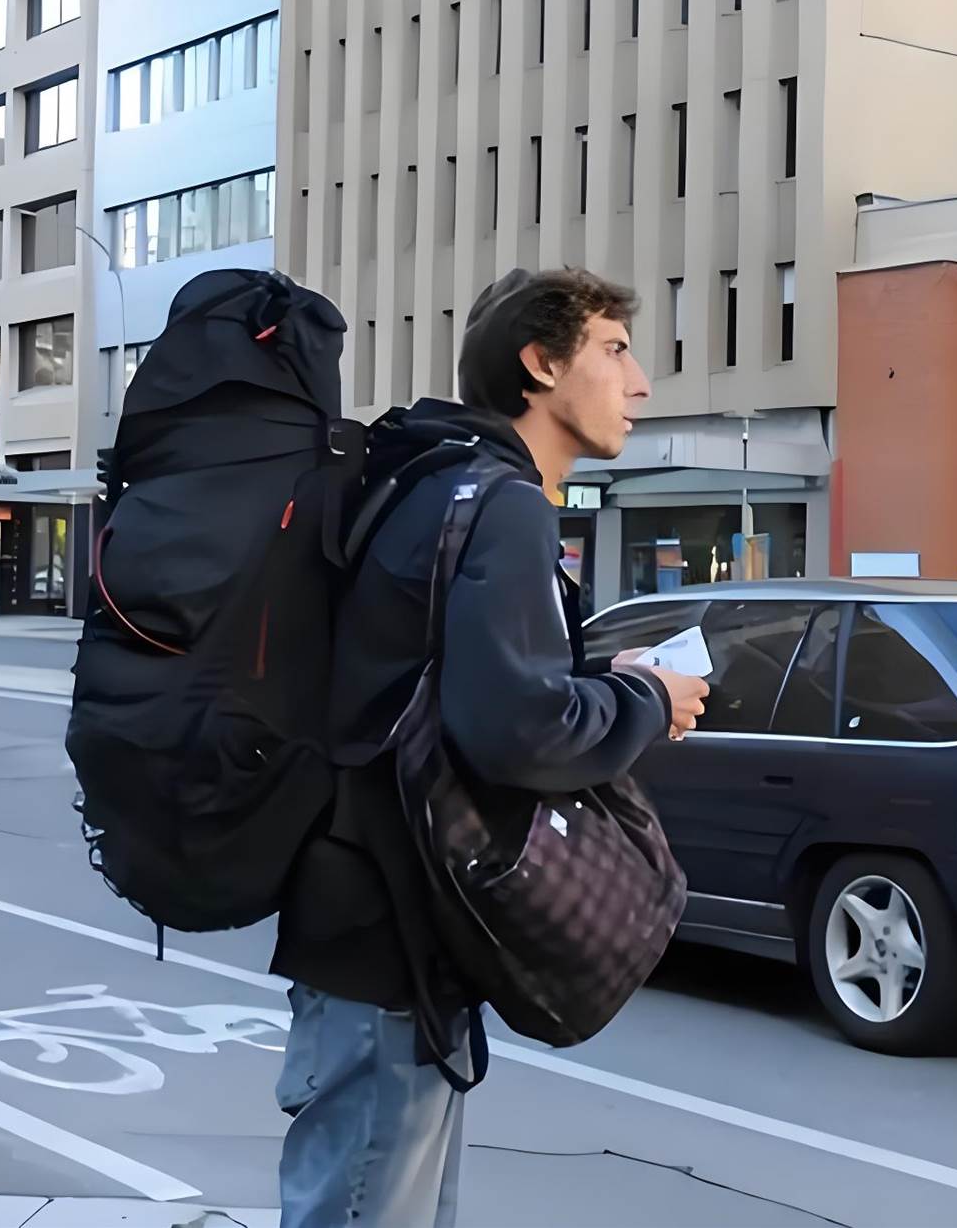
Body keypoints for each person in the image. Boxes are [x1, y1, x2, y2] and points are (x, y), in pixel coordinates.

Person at [271, 267, 710, 1227]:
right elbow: (521, 733)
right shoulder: (503, 504)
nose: (639, 382)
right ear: (541, 364)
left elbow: (449, 685)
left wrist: (598, 677)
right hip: (391, 936)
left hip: (372, 918)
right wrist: (645, 698)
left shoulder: (427, 480)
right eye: (614, 351)